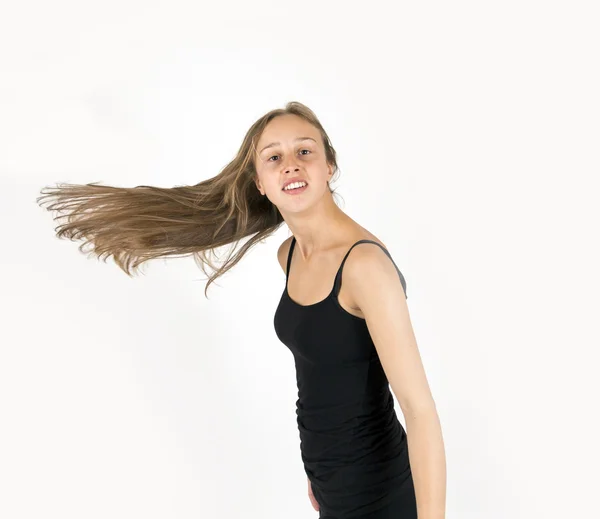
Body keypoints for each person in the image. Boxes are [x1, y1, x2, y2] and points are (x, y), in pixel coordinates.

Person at [37, 101, 446, 518]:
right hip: (332, 483)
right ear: (260, 184)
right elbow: (327, 371)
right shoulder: (289, 255)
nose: (291, 164)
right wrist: (319, 468)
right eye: (274, 157)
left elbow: (420, 410)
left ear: (329, 167)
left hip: (381, 492)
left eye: (305, 151)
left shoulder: (364, 266)